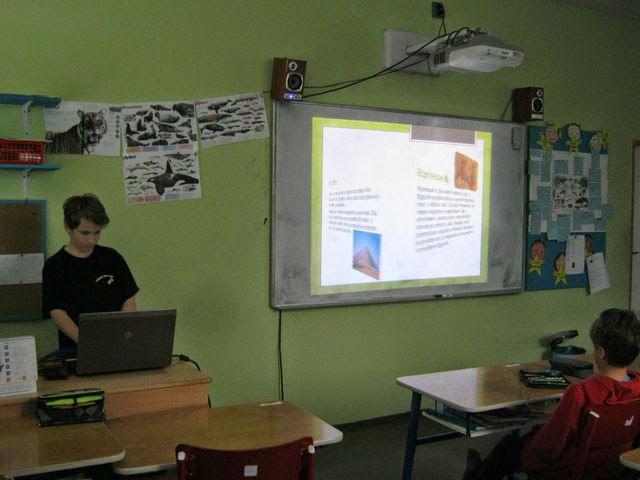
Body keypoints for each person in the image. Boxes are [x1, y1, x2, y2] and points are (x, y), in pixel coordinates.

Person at [462, 308, 640, 480]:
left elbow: (550, 445)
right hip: (615, 465)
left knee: (508, 446)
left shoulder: (581, 392)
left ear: (600, 352)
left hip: (571, 466)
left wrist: (533, 443)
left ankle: (474, 475)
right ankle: (475, 472)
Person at [42, 193, 139, 350]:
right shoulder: (55, 266)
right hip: (76, 348)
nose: (91, 240)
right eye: (85, 233)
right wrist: (86, 343)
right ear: (68, 227)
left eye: (97, 232)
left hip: (117, 344)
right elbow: (57, 311)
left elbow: (128, 298)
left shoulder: (112, 257)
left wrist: (123, 332)